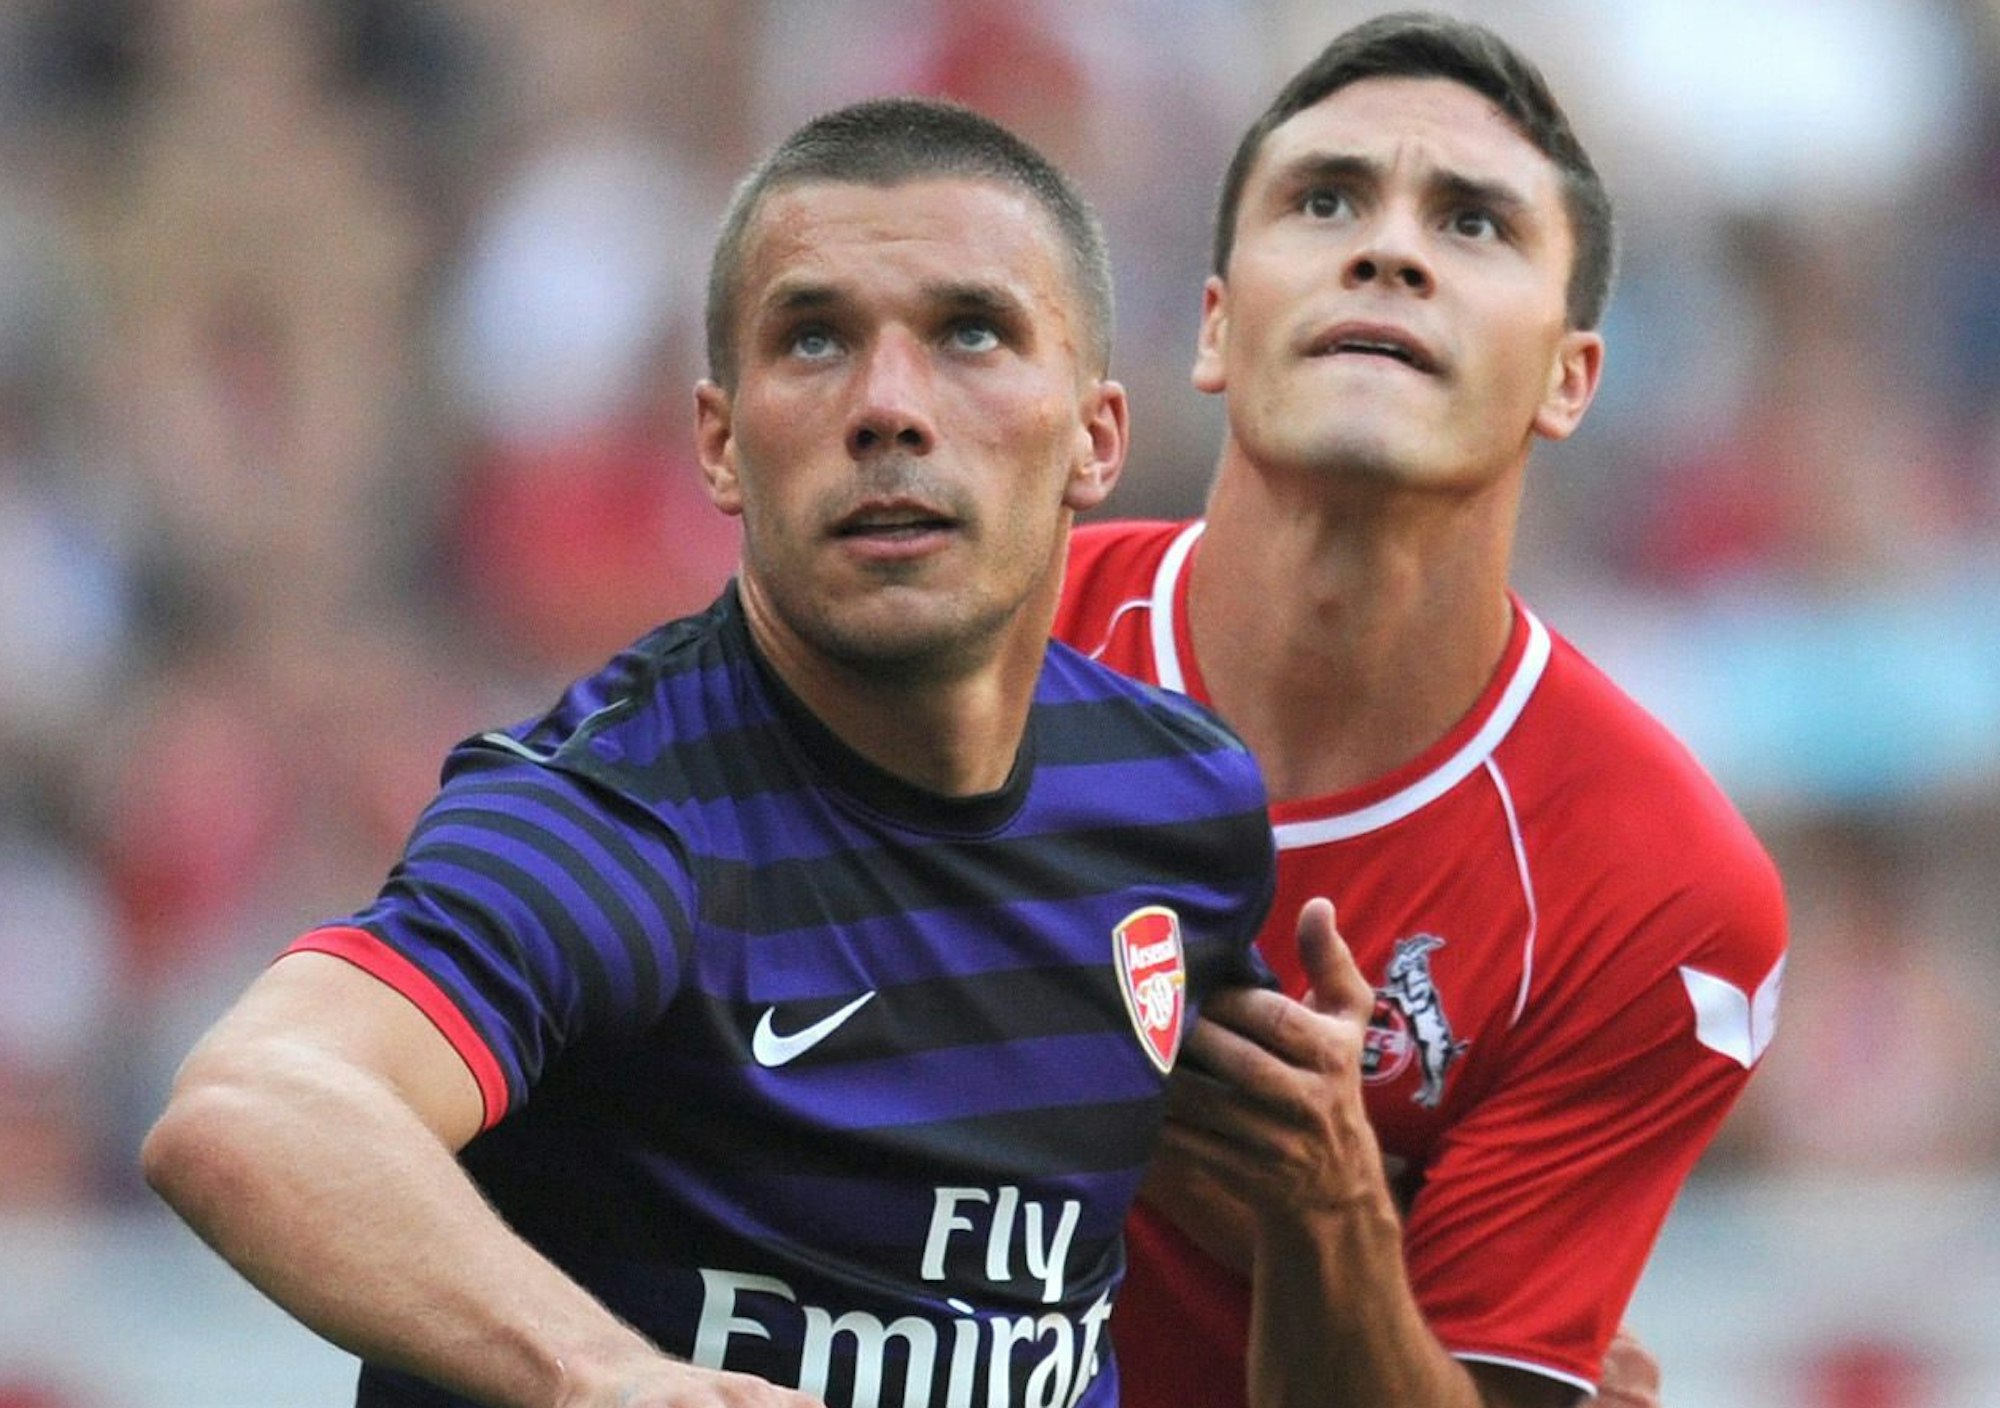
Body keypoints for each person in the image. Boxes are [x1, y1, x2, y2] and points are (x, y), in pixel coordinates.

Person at [140, 97, 1280, 1408]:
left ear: (1096, 435)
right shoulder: (617, 824)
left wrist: (1337, 1213)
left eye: (971, 332)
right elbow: (251, 1108)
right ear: (721, 444)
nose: (889, 406)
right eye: (815, 340)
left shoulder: (1180, 805)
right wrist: (610, 1378)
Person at [1051, 13, 1787, 1408]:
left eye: (1474, 223)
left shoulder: (1663, 894)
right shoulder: (973, 643)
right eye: (1324, 199)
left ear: (1569, 379)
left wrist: (1321, 1207)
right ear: (1215, 324)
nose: (1387, 250)